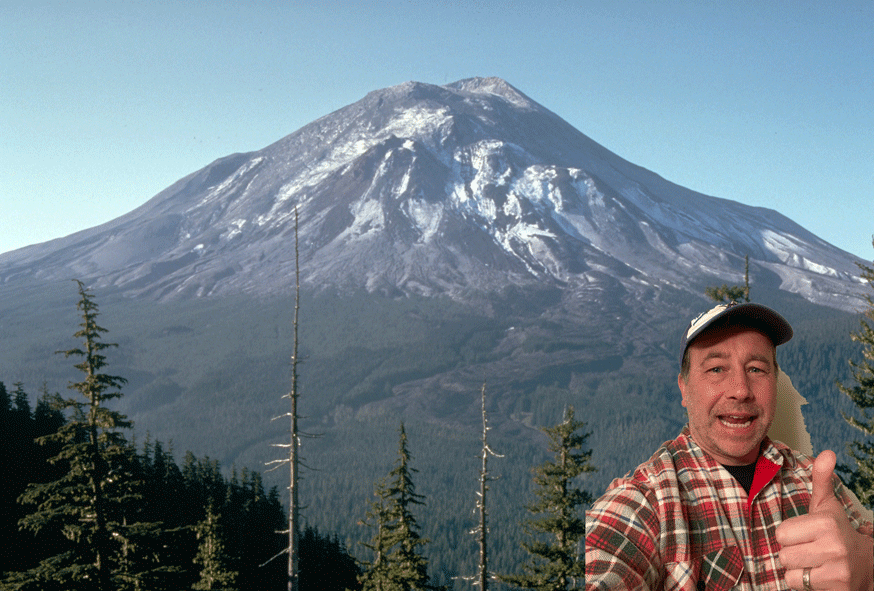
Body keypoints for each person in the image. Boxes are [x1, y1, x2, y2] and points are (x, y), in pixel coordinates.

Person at [585, 301, 874, 590]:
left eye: (757, 369)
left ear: (776, 382)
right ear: (684, 388)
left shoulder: (817, 484)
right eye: (717, 369)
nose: (741, 390)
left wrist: (868, 572)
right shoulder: (642, 504)